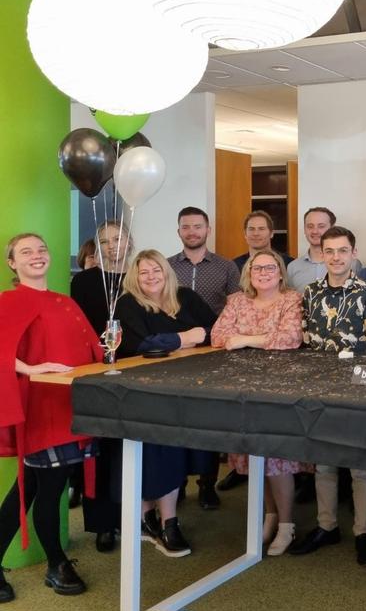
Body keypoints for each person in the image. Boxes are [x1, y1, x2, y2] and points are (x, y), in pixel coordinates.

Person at [0, 233, 104, 600]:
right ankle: (57, 564)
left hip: (72, 407)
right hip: (41, 410)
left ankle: (47, 564)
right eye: (26, 251)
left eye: (42, 249)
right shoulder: (8, 301)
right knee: (49, 489)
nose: (37, 255)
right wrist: (30, 368)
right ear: (12, 263)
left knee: (28, 489)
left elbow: (91, 348)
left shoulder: (65, 301)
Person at [116, 250, 217, 558]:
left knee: (176, 453)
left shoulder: (185, 297)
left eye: (156, 270)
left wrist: (170, 339)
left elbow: (216, 330)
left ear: (166, 272)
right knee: (154, 454)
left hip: (186, 388)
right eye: (144, 272)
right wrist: (186, 337)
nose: (151, 277)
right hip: (143, 391)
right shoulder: (128, 304)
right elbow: (140, 345)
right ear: (135, 277)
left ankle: (155, 520)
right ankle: (161, 522)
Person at [290, 226, 366, 567]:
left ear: (353, 253)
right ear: (322, 253)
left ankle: (362, 532)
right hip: (320, 389)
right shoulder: (311, 292)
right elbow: (304, 340)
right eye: (329, 251)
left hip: (358, 389)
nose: (336, 257)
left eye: (343, 250)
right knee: (324, 464)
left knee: (361, 468)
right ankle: (326, 525)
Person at [210, 249, 304, 556]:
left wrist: (245, 339)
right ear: (249, 274)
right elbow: (219, 336)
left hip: (278, 392)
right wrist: (264, 337)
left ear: (280, 273)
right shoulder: (237, 301)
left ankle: (287, 525)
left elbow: (290, 338)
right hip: (243, 392)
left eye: (270, 267)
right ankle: (270, 515)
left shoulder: (292, 300)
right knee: (255, 458)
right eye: (257, 268)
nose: (263, 273)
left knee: (277, 460)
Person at [167, 205, 241, 509]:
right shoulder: (166, 266)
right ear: (178, 231)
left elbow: (236, 307)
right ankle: (177, 482)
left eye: (198, 226)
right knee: (177, 417)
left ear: (208, 230)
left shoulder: (226, 267)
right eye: (186, 227)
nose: (192, 232)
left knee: (209, 419)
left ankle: (207, 484)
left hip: (214, 351)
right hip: (174, 351)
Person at [69, 219, 133, 553]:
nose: (112, 245)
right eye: (105, 241)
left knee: (132, 447)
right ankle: (103, 524)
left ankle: (137, 515)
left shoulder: (140, 276)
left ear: (129, 242)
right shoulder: (83, 282)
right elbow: (77, 327)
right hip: (96, 371)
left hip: (136, 369)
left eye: (118, 238)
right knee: (100, 450)